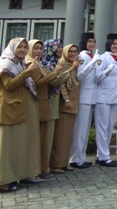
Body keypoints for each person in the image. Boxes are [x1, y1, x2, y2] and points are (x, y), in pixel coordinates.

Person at [0, 38, 40, 194]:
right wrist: (27, 73)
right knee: (5, 146)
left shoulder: (19, 63)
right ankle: (0, 182)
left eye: (25, 47)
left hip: (18, 108)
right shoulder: (6, 63)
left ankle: (18, 175)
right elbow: (9, 85)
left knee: (18, 144)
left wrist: (26, 71)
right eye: (20, 47)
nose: (23, 50)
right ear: (12, 48)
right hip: (6, 109)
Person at [25, 39, 67, 178]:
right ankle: (38, 168)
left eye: (40, 48)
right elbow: (47, 82)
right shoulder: (34, 64)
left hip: (50, 103)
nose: (38, 51)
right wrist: (57, 72)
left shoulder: (41, 63)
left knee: (47, 138)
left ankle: (43, 167)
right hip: (42, 102)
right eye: (35, 48)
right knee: (41, 138)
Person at [49, 44, 81, 172]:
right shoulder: (63, 65)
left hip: (73, 103)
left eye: (75, 51)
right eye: (70, 51)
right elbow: (61, 85)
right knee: (61, 136)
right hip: (65, 105)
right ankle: (56, 164)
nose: (73, 54)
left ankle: (63, 163)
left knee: (68, 136)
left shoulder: (73, 65)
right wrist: (67, 100)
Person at [69, 33, 98, 169]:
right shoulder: (82, 57)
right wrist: (91, 64)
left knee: (85, 129)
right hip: (83, 96)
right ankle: (75, 158)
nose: (92, 44)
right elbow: (79, 76)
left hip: (92, 96)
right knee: (80, 129)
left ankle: (81, 156)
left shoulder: (92, 56)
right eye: (89, 41)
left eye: (94, 41)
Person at [94, 33, 117, 167]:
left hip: (114, 97)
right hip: (103, 97)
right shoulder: (103, 58)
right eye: (114, 44)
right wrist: (106, 71)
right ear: (108, 44)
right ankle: (103, 156)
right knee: (102, 127)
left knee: (110, 127)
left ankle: (102, 155)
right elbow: (96, 77)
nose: (116, 46)